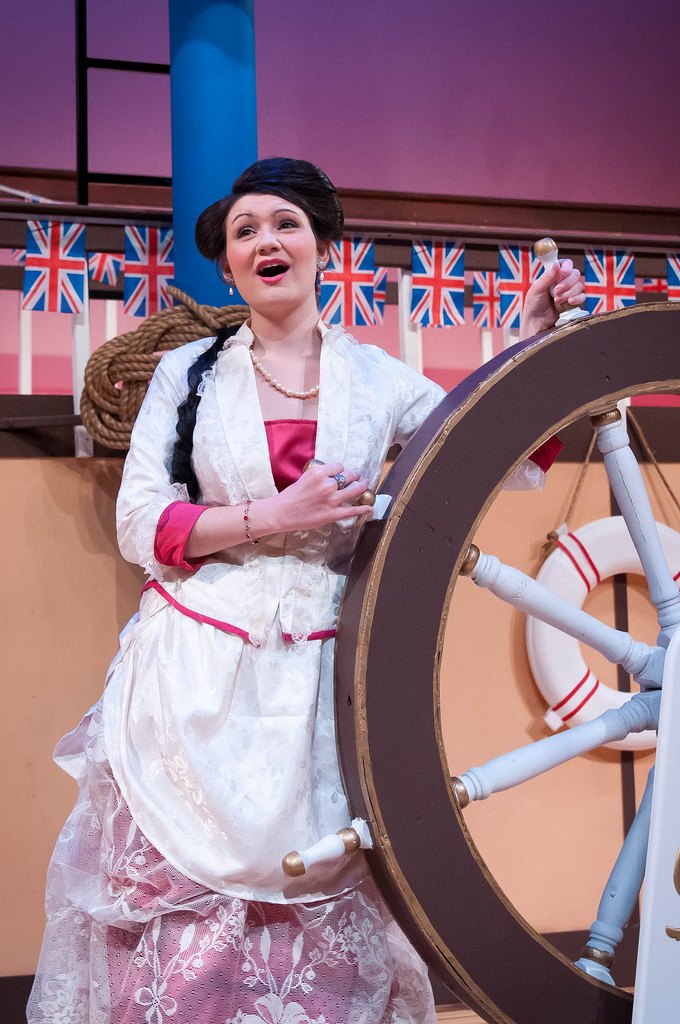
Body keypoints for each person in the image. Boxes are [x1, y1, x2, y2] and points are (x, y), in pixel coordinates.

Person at [27, 158, 585, 1024]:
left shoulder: (381, 379)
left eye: (284, 223)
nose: (265, 241)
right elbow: (143, 524)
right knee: (184, 916)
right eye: (245, 231)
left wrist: (538, 344)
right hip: (195, 668)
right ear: (229, 266)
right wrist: (267, 514)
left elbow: (500, 460)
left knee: (327, 891)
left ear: (325, 247)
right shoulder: (189, 376)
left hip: (330, 674)